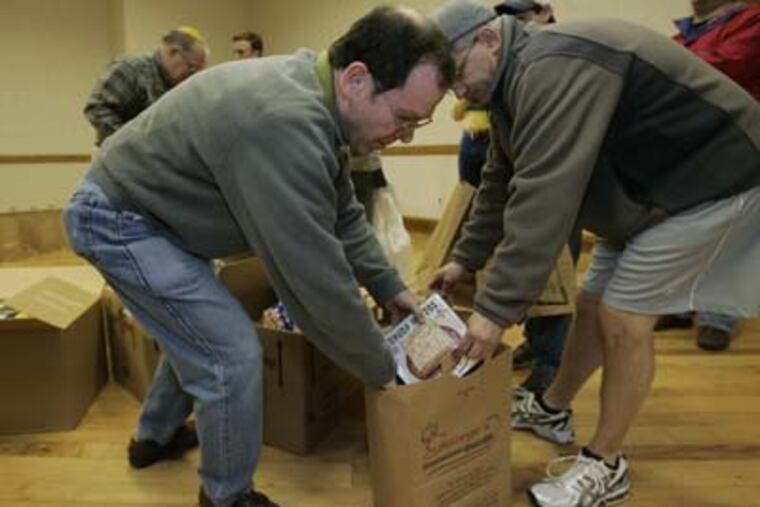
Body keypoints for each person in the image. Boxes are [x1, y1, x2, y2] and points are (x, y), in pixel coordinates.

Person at [64, 6, 454, 507]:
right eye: (404, 118)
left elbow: (345, 216)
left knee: (197, 329)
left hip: (160, 219)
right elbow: (316, 284)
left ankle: (152, 439)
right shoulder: (284, 122)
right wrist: (389, 369)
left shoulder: (318, 100)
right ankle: (226, 496)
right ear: (357, 79)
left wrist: (389, 288)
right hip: (119, 222)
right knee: (229, 353)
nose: (406, 137)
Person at [430, 1, 760, 506]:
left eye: (454, 73)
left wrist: (494, 311)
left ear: (489, 41)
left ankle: (606, 464)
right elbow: (501, 180)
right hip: (653, 195)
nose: (456, 90)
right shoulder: (509, 86)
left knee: (624, 317)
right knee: (592, 302)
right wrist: (463, 260)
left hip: (716, 180)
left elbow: (544, 194)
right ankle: (551, 405)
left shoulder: (553, 64)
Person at [656, 0, 760, 351]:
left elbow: (724, 65)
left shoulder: (753, 17)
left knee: (730, 231)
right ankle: (682, 306)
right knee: (688, 225)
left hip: (738, 141)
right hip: (696, 141)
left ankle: (719, 315)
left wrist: (660, 66)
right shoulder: (693, 27)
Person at [84, 26, 209, 146]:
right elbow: (97, 108)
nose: (192, 76)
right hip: (119, 160)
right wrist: (127, 144)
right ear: (173, 52)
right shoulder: (131, 69)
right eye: (191, 67)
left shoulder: (177, 84)